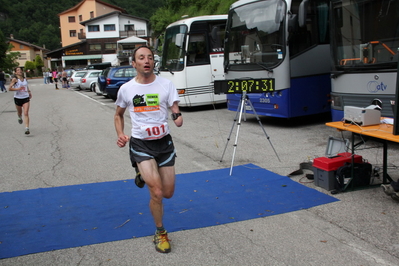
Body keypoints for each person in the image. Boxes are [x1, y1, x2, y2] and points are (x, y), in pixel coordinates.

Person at [114, 45, 183, 253]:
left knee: (169, 192)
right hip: (141, 144)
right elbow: (117, 115)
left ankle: (143, 174)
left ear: (154, 62)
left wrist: (177, 116)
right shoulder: (126, 89)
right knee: (157, 192)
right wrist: (120, 134)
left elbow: (174, 108)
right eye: (141, 58)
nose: (147, 61)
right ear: (134, 64)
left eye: (150, 57)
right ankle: (160, 232)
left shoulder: (166, 85)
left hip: (164, 144)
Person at [8, 67, 32, 135]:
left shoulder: (25, 79)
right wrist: (18, 88)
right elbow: (9, 88)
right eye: (18, 70)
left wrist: (29, 92)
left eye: (20, 70)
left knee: (26, 113)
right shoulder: (15, 79)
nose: (20, 71)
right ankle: (19, 117)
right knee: (20, 113)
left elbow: (26, 86)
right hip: (18, 98)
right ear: (15, 72)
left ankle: (27, 128)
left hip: (25, 97)